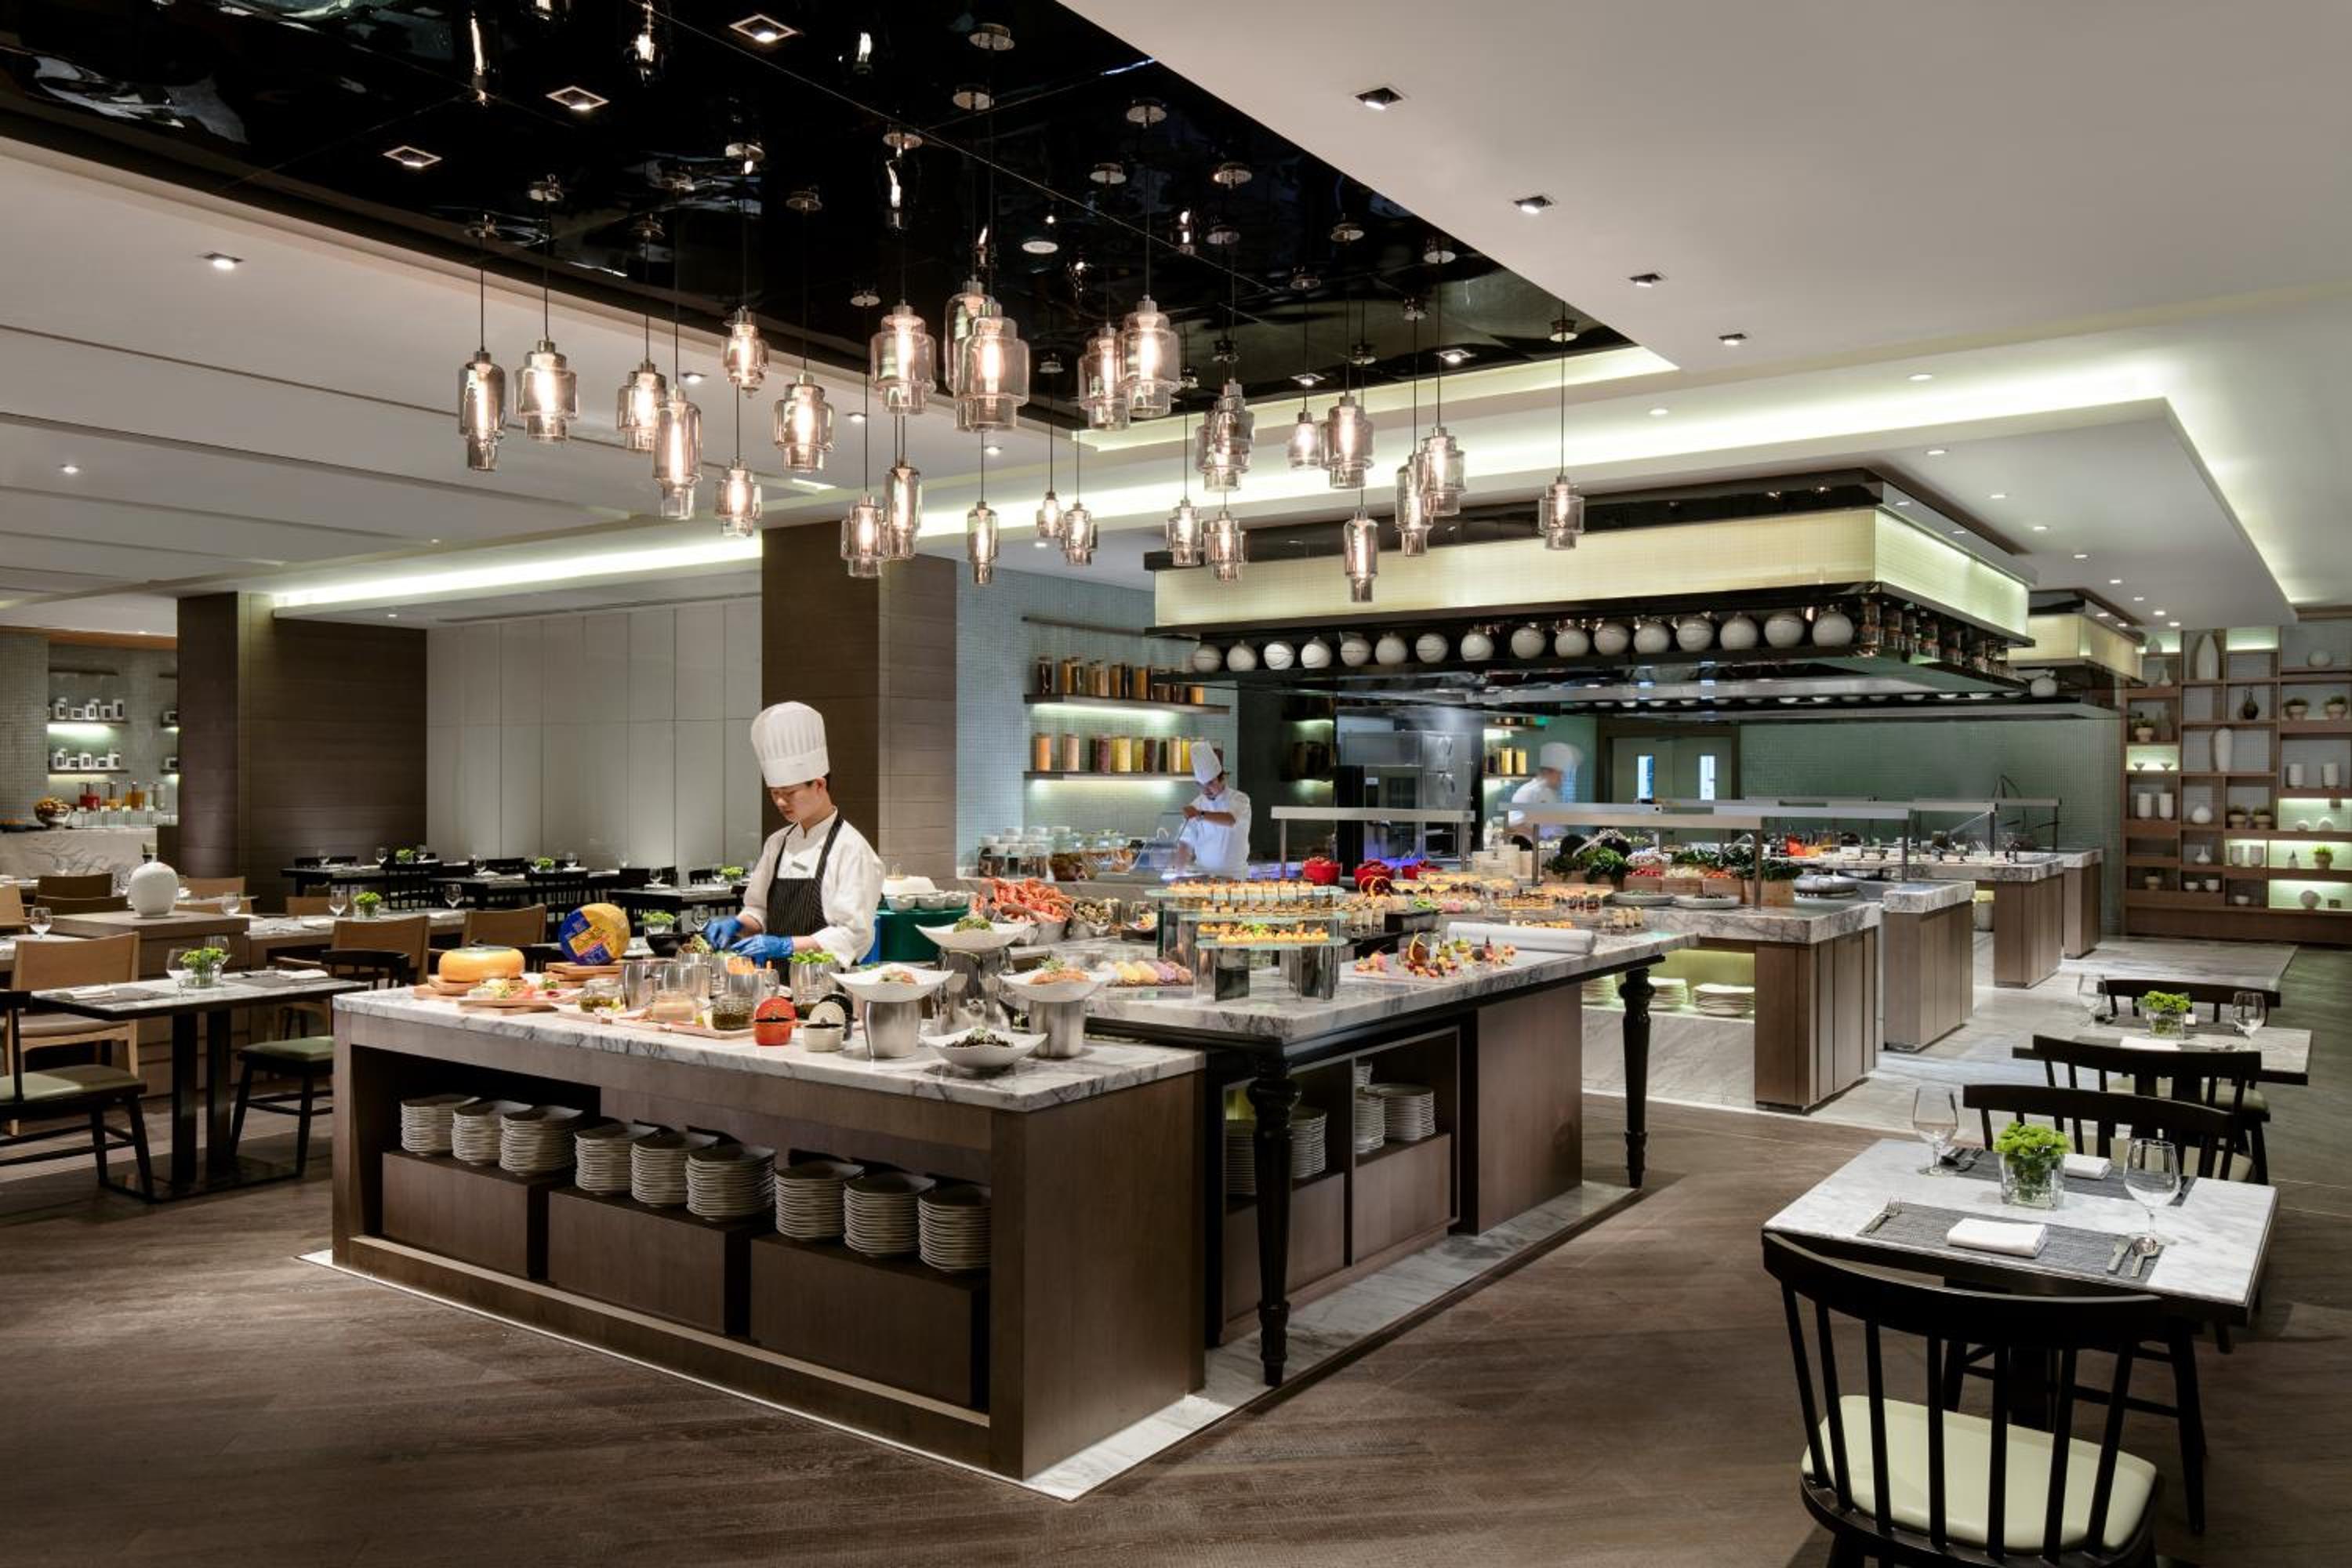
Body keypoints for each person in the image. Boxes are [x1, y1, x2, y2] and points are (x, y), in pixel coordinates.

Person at [702, 702, 883, 969]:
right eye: (774, 793)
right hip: (773, 980)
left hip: (826, 982)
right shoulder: (777, 843)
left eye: (789, 793)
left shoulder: (852, 848)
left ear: (819, 785)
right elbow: (759, 910)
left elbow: (853, 934)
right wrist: (739, 923)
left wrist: (786, 945)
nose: (780, 802)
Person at [1172, 742, 1251, 879]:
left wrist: (1200, 814)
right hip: (1204, 878)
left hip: (1235, 877)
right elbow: (1185, 843)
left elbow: (1230, 820)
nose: (1206, 790)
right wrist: (1178, 874)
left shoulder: (1240, 799)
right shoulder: (1196, 805)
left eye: (1210, 783)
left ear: (1222, 779)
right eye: (1201, 785)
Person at [1507, 741, 1583, 849]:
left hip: (1552, 848)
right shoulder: (1528, 792)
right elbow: (1514, 824)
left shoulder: (1552, 793)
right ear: (1548, 772)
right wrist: (1541, 837)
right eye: (1559, 774)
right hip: (1533, 849)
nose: (1561, 779)